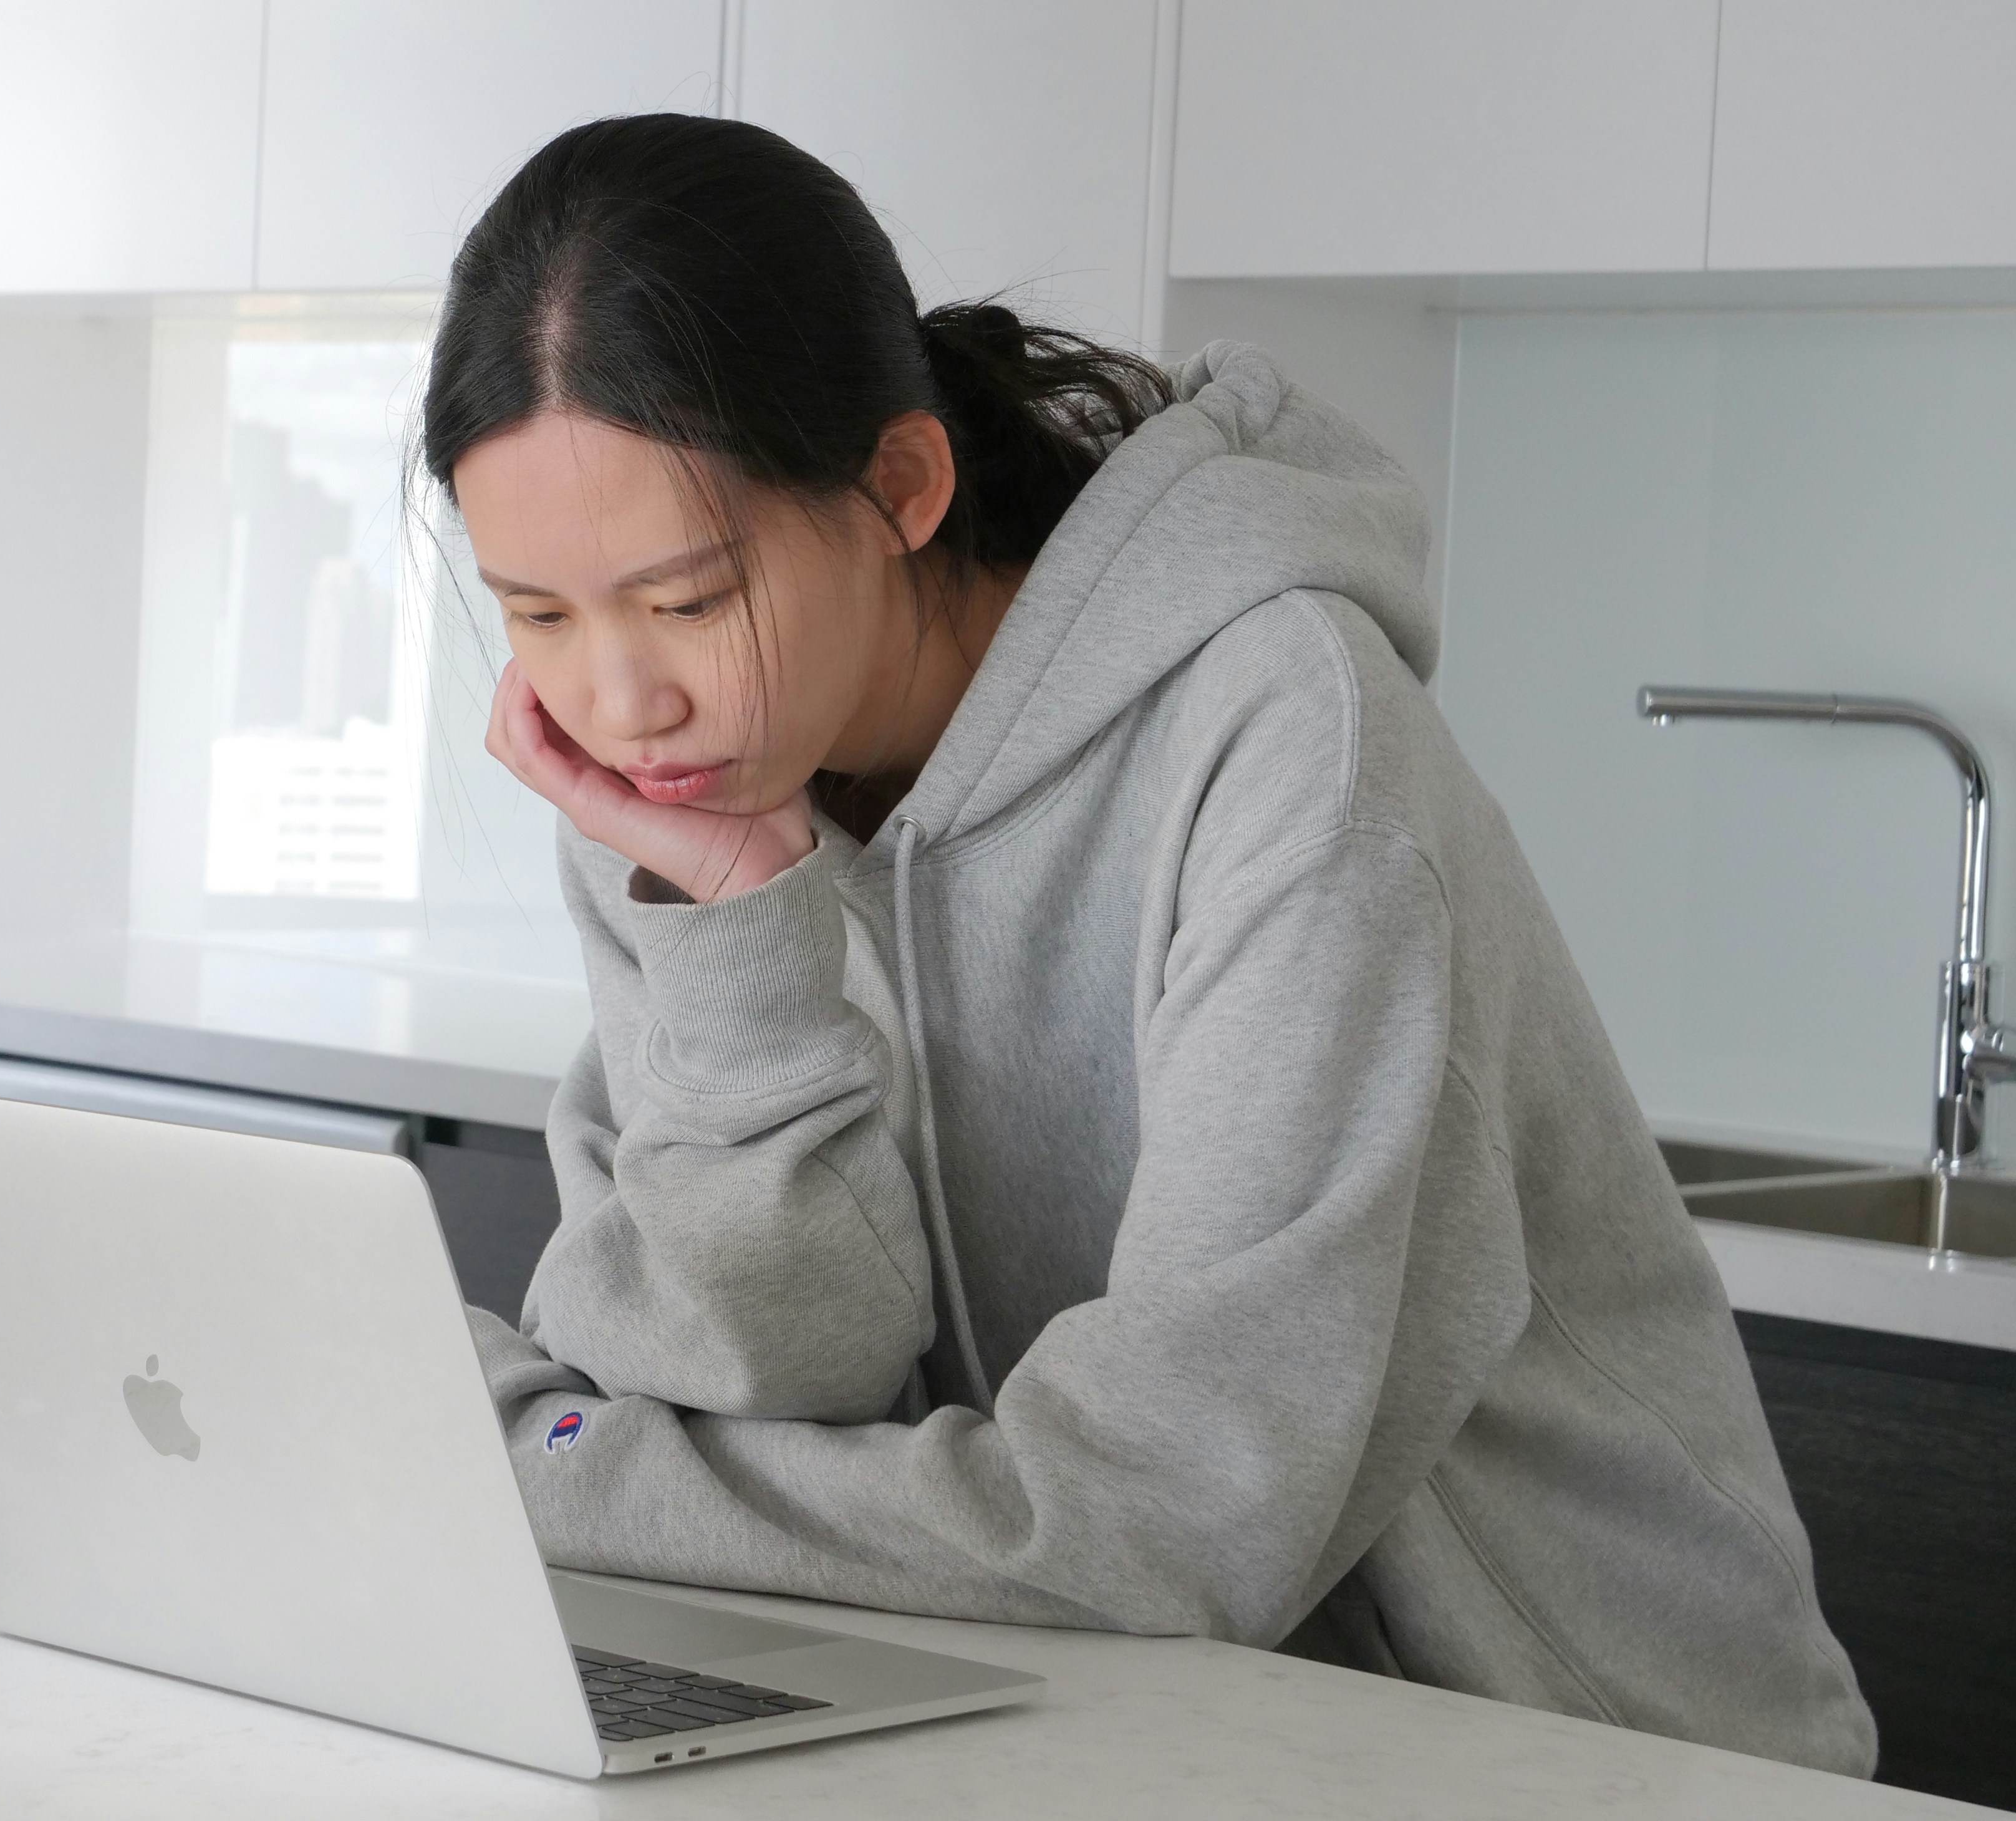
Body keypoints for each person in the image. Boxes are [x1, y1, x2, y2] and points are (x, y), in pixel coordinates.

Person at [429, 114, 1874, 1775]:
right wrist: (738, 934)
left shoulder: (1285, 729)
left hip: (1580, 1754)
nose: (616, 700)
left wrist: (539, 1460)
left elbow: (1169, 1521)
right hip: (1119, 1721)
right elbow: (743, 1387)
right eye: (537, 612)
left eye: (685, 599)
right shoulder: (679, 785)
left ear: (901, 486)